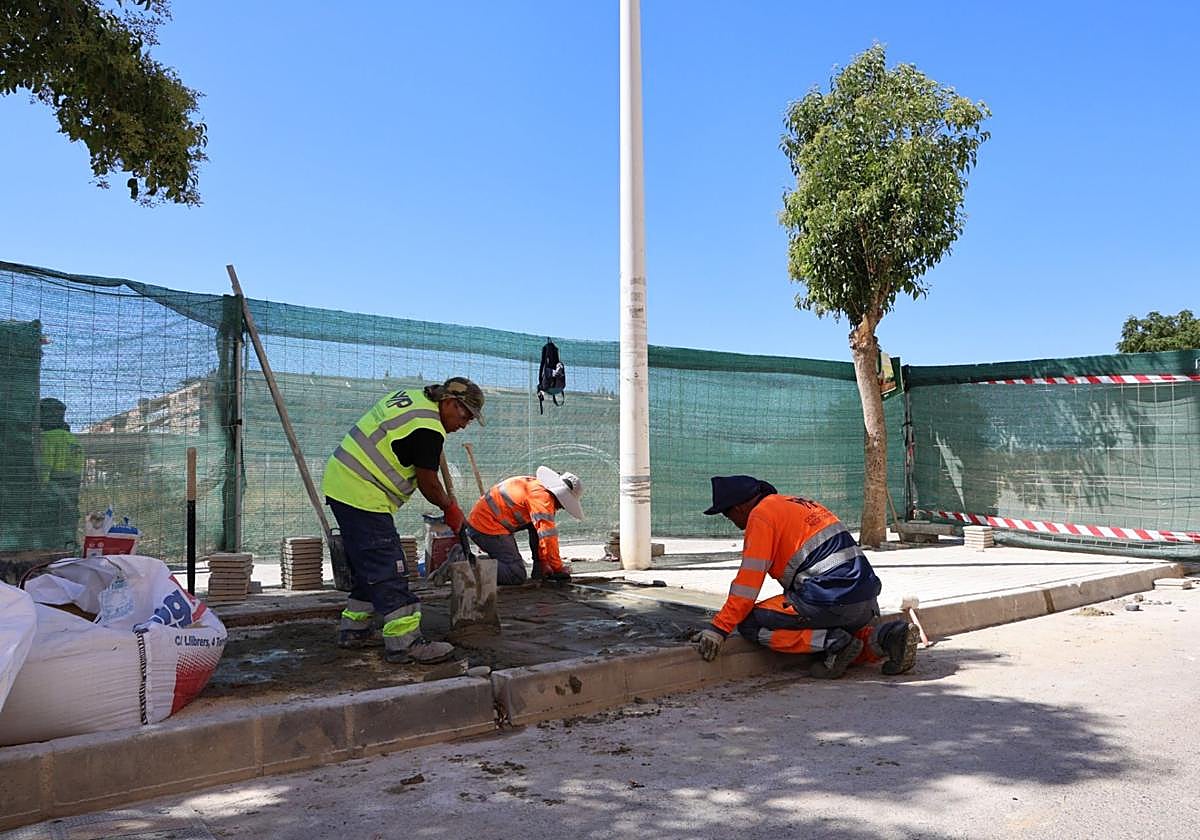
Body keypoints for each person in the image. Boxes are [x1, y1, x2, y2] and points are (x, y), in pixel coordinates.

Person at [321, 376, 484, 665]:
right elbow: (428, 484)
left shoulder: (414, 399)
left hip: (343, 481)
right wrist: (450, 508)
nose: (465, 423)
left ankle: (354, 629)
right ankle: (405, 643)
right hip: (361, 491)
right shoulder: (428, 428)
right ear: (449, 402)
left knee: (367, 564)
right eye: (465, 414)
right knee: (388, 566)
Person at [695, 475, 918, 679]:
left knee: (750, 624)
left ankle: (833, 643)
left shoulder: (761, 515)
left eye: (727, 513)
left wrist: (719, 629)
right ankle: (889, 636)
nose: (729, 520)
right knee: (844, 631)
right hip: (865, 601)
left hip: (830, 600)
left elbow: (747, 586)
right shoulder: (799, 503)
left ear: (740, 506)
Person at [464, 466, 583, 586]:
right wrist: (557, 568)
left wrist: (544, 562)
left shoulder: (537, 486)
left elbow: (540, 532)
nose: (560, 508)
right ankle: (466, 564)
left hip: (484, 522)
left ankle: (540, 568)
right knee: (515, 575)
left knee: (536, 526)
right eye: (563, 505)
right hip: (486, 528)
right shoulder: (542, 499)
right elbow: (548, 537)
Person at [38, 398, 84, 551]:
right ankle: (70, 548)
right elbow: (79, 462)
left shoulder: (47, 437)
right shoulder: (72, 439)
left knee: (50, 519)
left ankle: (52, 550)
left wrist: (41, 486)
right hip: (73, 484)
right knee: (69, 517)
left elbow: (45, 464)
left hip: (54, 485)